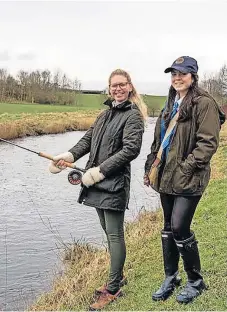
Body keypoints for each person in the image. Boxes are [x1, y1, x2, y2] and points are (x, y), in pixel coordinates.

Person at [49, 69, 147, 310]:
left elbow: (130, 150)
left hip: (112, 183)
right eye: (114, 85)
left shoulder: (133, 115)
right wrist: (68, 155)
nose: (118, 89)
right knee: (107, 230)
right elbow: (87, 140)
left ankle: (113, 287)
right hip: (96, 181)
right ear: (109, 88)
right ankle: (118, 275)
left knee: (114, 234)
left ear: (130, 87)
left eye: (122, 85)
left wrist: (101, 171)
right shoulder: (105, 114)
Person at [144, 56, 225, 304]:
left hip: (190, 177)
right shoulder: (170, 102)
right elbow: (159, 140)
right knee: (168, 226)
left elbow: (208, 143)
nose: (177, 78)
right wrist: (150, 167)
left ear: (193, 76)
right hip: (166, 176)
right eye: (173, 74)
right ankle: (171, 277)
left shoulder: (204, 103)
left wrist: (186, 168)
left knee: (180, 227)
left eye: (182, 73)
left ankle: (195, 281)